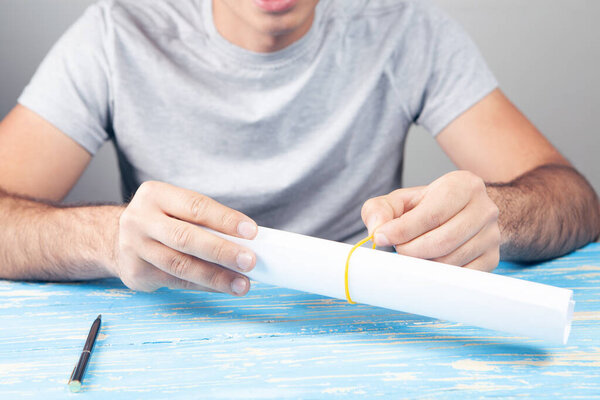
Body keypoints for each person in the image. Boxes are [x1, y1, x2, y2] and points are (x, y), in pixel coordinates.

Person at [0, 0, 598, 296]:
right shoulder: (116, 32)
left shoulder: (405, 27)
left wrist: (498, 215)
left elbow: (575, 199)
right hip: (178, 328)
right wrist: (108, 237)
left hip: (364, 332)